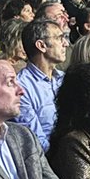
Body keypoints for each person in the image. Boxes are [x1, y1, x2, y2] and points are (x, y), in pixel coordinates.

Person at [14, 19, 66, 151]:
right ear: (41, 45)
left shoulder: (64, 78)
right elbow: (36, 142)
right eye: (60, 38)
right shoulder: (22, 87)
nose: (65, 44)